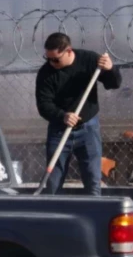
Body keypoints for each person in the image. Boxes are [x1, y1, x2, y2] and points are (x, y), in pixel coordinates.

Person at [35, 32, 122, 196]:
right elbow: (43, 105)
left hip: (88, 128)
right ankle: (52, 214)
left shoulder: (89, 60)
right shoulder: (46, 73)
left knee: (92, 179)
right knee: (53, 181)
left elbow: (114, 83)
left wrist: (111, 69)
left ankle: (94, 213)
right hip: (59, 130)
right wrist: (63, 116)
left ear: (68, 51)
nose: (51, 63)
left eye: (55, 59)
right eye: (48, 58)